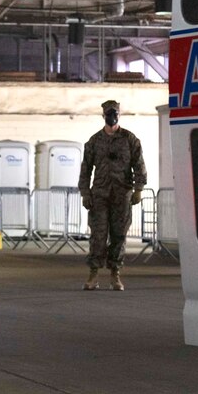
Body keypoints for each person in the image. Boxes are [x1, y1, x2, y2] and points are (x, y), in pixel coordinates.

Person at [79, 100, 147, 291]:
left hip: (121, 195)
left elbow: (139, 165)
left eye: (115, 112)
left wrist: (138, 189)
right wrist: (85, 193)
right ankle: (93, 275)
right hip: (99, 195)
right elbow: (85, 169)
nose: (112, 116)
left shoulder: (129, 139)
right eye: (109, 113)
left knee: (119, 235)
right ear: (103, 116)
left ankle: (115, 275)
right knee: (98, 235)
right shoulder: (94, 141)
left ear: (119, 114)